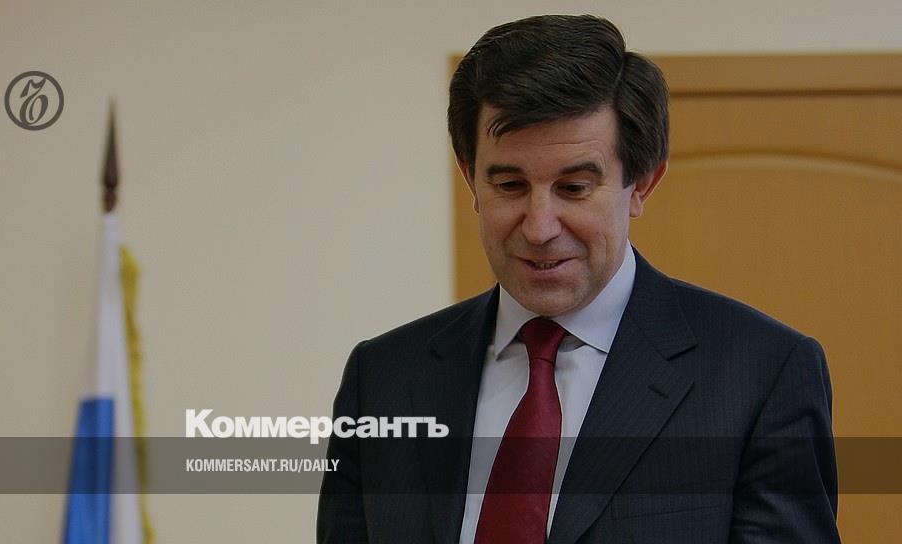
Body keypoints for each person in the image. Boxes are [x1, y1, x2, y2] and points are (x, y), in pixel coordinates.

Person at [318, 14, 838, 544]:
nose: (539, 228)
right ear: (470, 178)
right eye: (510, 185)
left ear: (642, 183)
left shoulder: (761, 374)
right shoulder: (382, 378)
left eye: (573, 189)